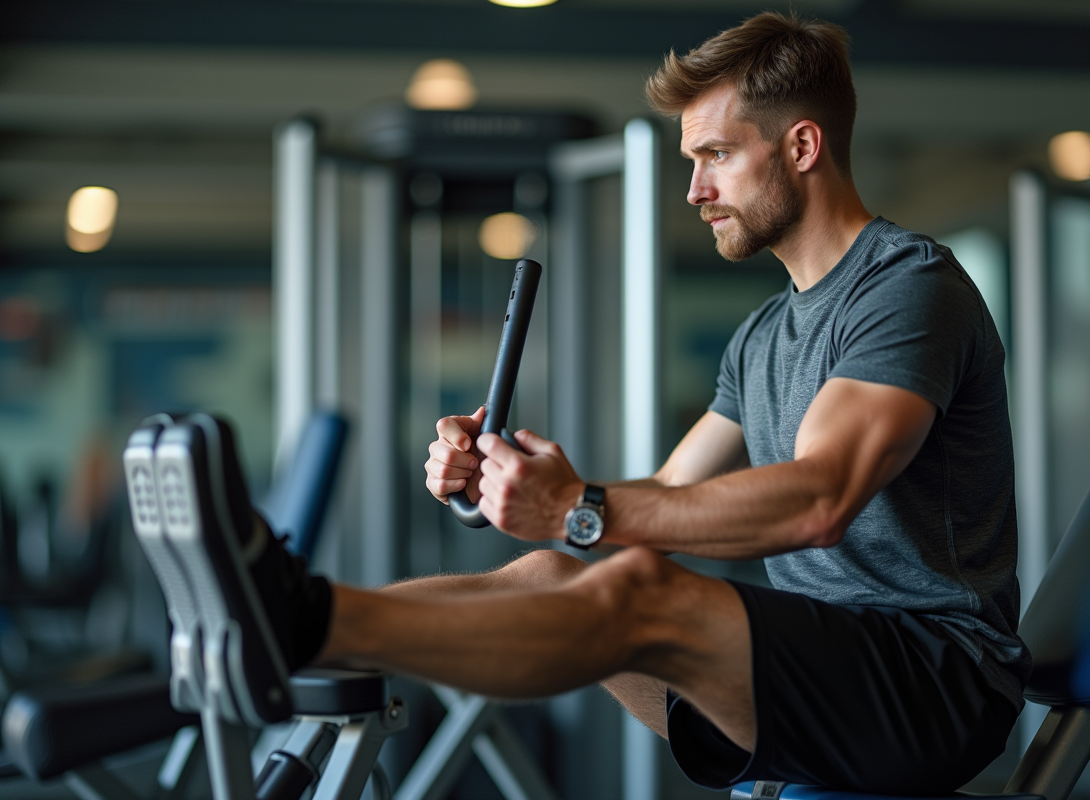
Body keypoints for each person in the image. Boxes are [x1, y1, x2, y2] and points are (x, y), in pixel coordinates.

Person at [191, 12, 1030, 794]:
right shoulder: (765, 333)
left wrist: (578, 505)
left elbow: (820, 500)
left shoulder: (905, 288)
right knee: (544, 575)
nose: (696, 191)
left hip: (938, 679)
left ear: (802, 145)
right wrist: (515, 480)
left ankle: (307, 623)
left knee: (633, 589)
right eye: (690, 164)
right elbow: (667, 502)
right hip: (827, 665)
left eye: (716, 156)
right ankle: (289, 617)